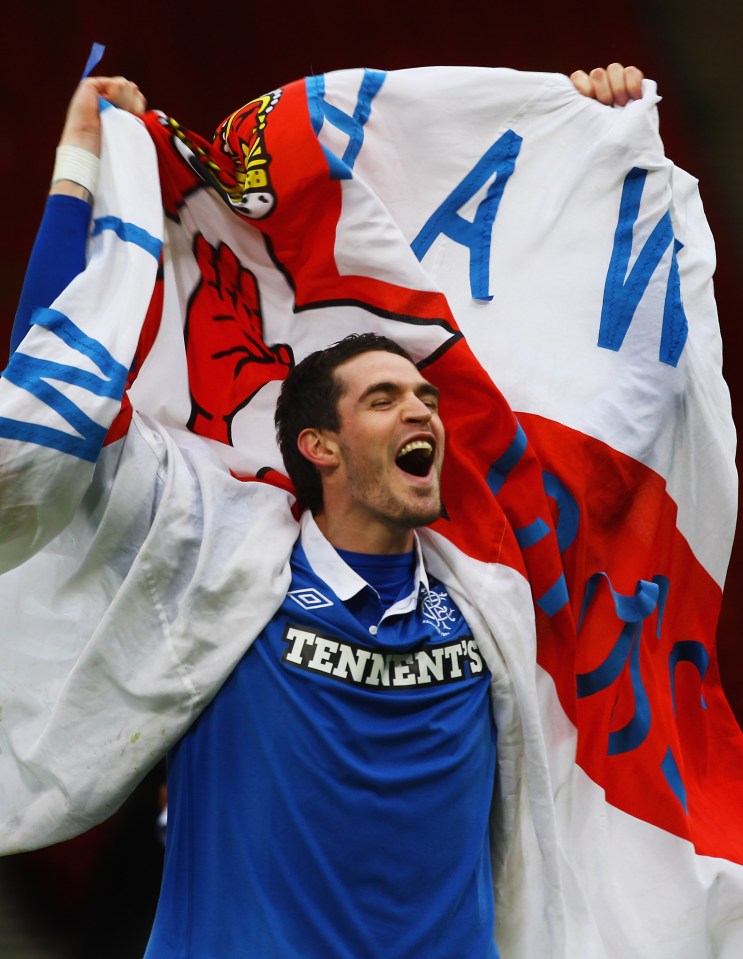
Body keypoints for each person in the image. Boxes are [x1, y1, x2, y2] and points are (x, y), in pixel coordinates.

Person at [9, 63, 647, 958]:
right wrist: (79, 169)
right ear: (319, 446)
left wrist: (588, 150)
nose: (422, 409)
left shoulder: (492, 606)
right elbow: (50, 426)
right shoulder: (213, 572)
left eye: (424, 395)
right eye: (384, 399)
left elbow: (612, 407)